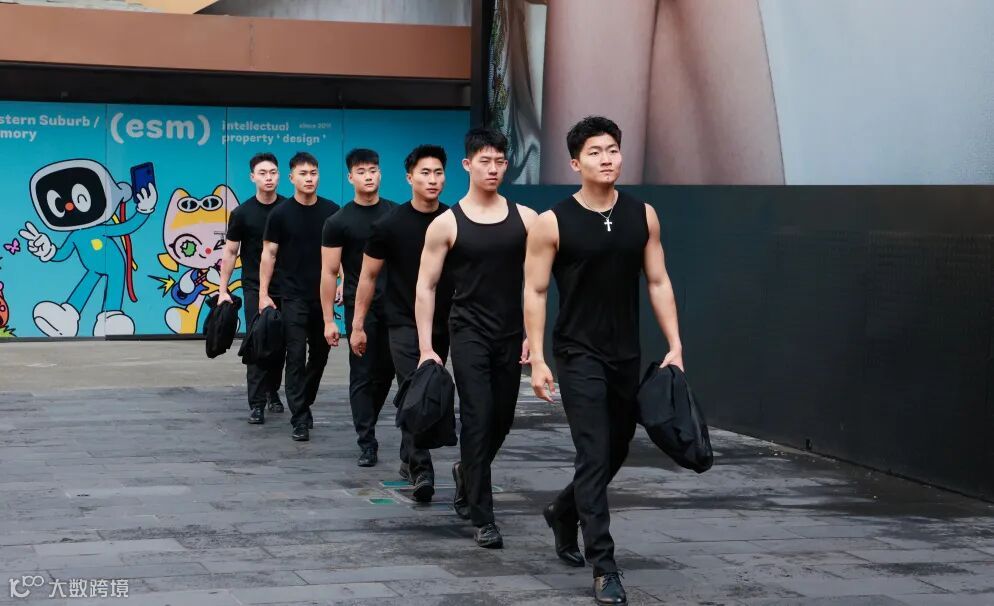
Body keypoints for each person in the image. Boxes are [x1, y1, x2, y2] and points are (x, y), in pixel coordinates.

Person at [523, 116, 684, 605]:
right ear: (575, 163)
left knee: (615, 449)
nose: (606, 158)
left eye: (612, 149)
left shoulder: (643, 215)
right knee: (593, 453)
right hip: (577, 353)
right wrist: (538, 358)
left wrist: (675, 344)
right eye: (594, 152)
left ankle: (562, 510)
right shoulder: (553, 222)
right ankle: (605, 566)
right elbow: (535, 290)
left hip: (625, 353)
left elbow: (658, 281)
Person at [415, 128, 537, 548]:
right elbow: (426, 287)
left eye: (500, 161)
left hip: (510, 334)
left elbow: (534, 285)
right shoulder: (447, 223)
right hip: (467, 331)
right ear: (468, 165)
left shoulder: (526, 219)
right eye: (485, 161)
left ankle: (466, 469)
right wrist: (427, 348)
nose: (493, 169)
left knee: (502, 419)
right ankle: (484, 517)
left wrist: (532, 335)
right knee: (478, 417)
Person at [351, 144, 453, 502]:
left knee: (429, 390)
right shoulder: (389, 225)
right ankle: (422, 467)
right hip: (402, 322)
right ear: (409, 178)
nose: (433, 179)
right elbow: (368, 276)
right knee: (415, 389)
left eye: (438, 172)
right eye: (425, 173)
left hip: (443, 322)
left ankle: (408, 456)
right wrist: (357, 325)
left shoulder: (452, 220)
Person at [320, 148, 396, 466]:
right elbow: (328, 272)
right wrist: (329, 320)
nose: (368, 176)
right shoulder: (338, 222)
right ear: (350, 177)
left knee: (387, 373)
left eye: (373, 170)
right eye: (361, 171)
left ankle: (369, 418)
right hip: (359, 308)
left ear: (380, 174)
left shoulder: (395, 214)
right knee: (362, 373)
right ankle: (367, 441)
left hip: (396, 305)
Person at [259, 151, 340, 441]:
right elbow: (269, 254)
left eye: (313, 173)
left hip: (323, 296)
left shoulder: (332, 211)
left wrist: (341, 280)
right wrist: (263, 293)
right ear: (292, 177)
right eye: (303, 174)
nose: (309, 179)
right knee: (295, 355)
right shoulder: (280, 214)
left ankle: (303, 401)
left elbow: (339, 252)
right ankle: (300, 418)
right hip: (292, 295)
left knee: (320, 353)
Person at [218, 152, 286, 424]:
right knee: (257, 342)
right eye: (262, 173)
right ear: (252, 177)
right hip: (254, 288)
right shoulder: (242, 213)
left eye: (273, 172)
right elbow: (230, 252)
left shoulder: (288, 209)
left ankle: (272, 391)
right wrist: (223, 289)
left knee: (280, 345)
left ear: (279, 175)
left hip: (287, 287)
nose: (268, 178)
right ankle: (256, 403)